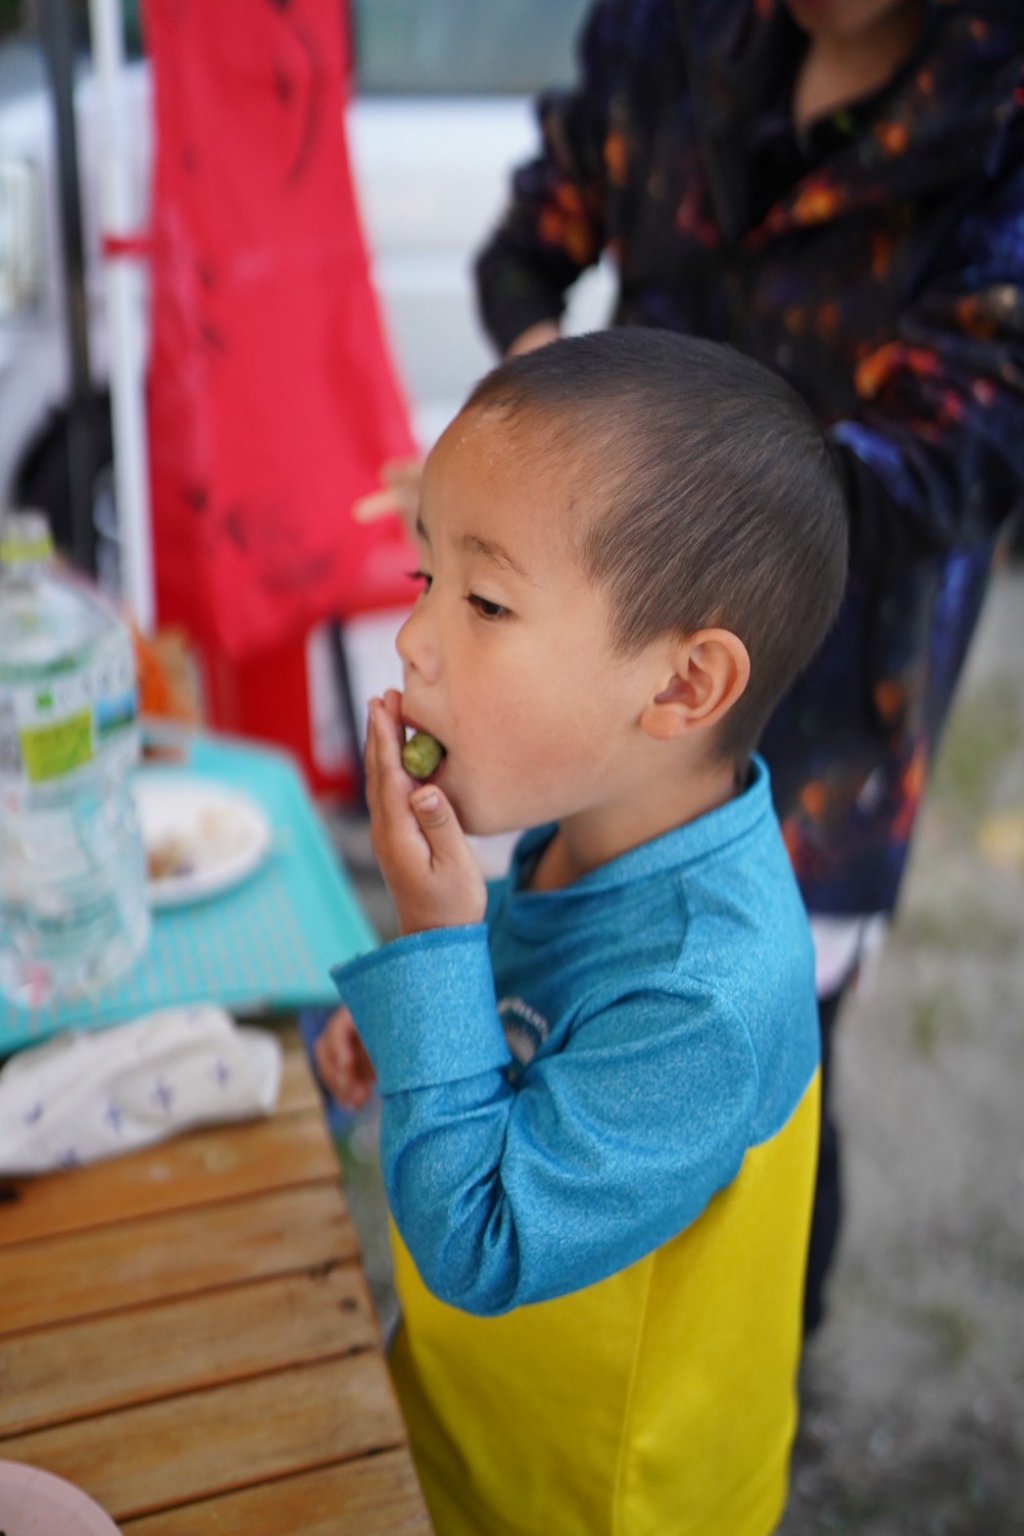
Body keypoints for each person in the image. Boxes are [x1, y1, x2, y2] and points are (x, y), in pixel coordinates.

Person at [471, 0, 1024, 1333]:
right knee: (577, 967)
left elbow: (964, 450)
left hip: (832, 693)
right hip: (608, 640)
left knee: (767, 1051)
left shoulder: (999, 117)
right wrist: (538, 355)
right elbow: (534, 233)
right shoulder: (675, 27)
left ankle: (766, 1369)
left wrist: (632, 498)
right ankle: (587, 1320)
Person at [318, 328, 848, 1536]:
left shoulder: (707, 995)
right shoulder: (598, 824)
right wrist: (408, 1016)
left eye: (486, 599)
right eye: (425, 580)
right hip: (466, 1437)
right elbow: (523, 966)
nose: (413, 641)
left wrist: (431, 946)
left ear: (678, 688)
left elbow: (483, 1240)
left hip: (598, 1502)